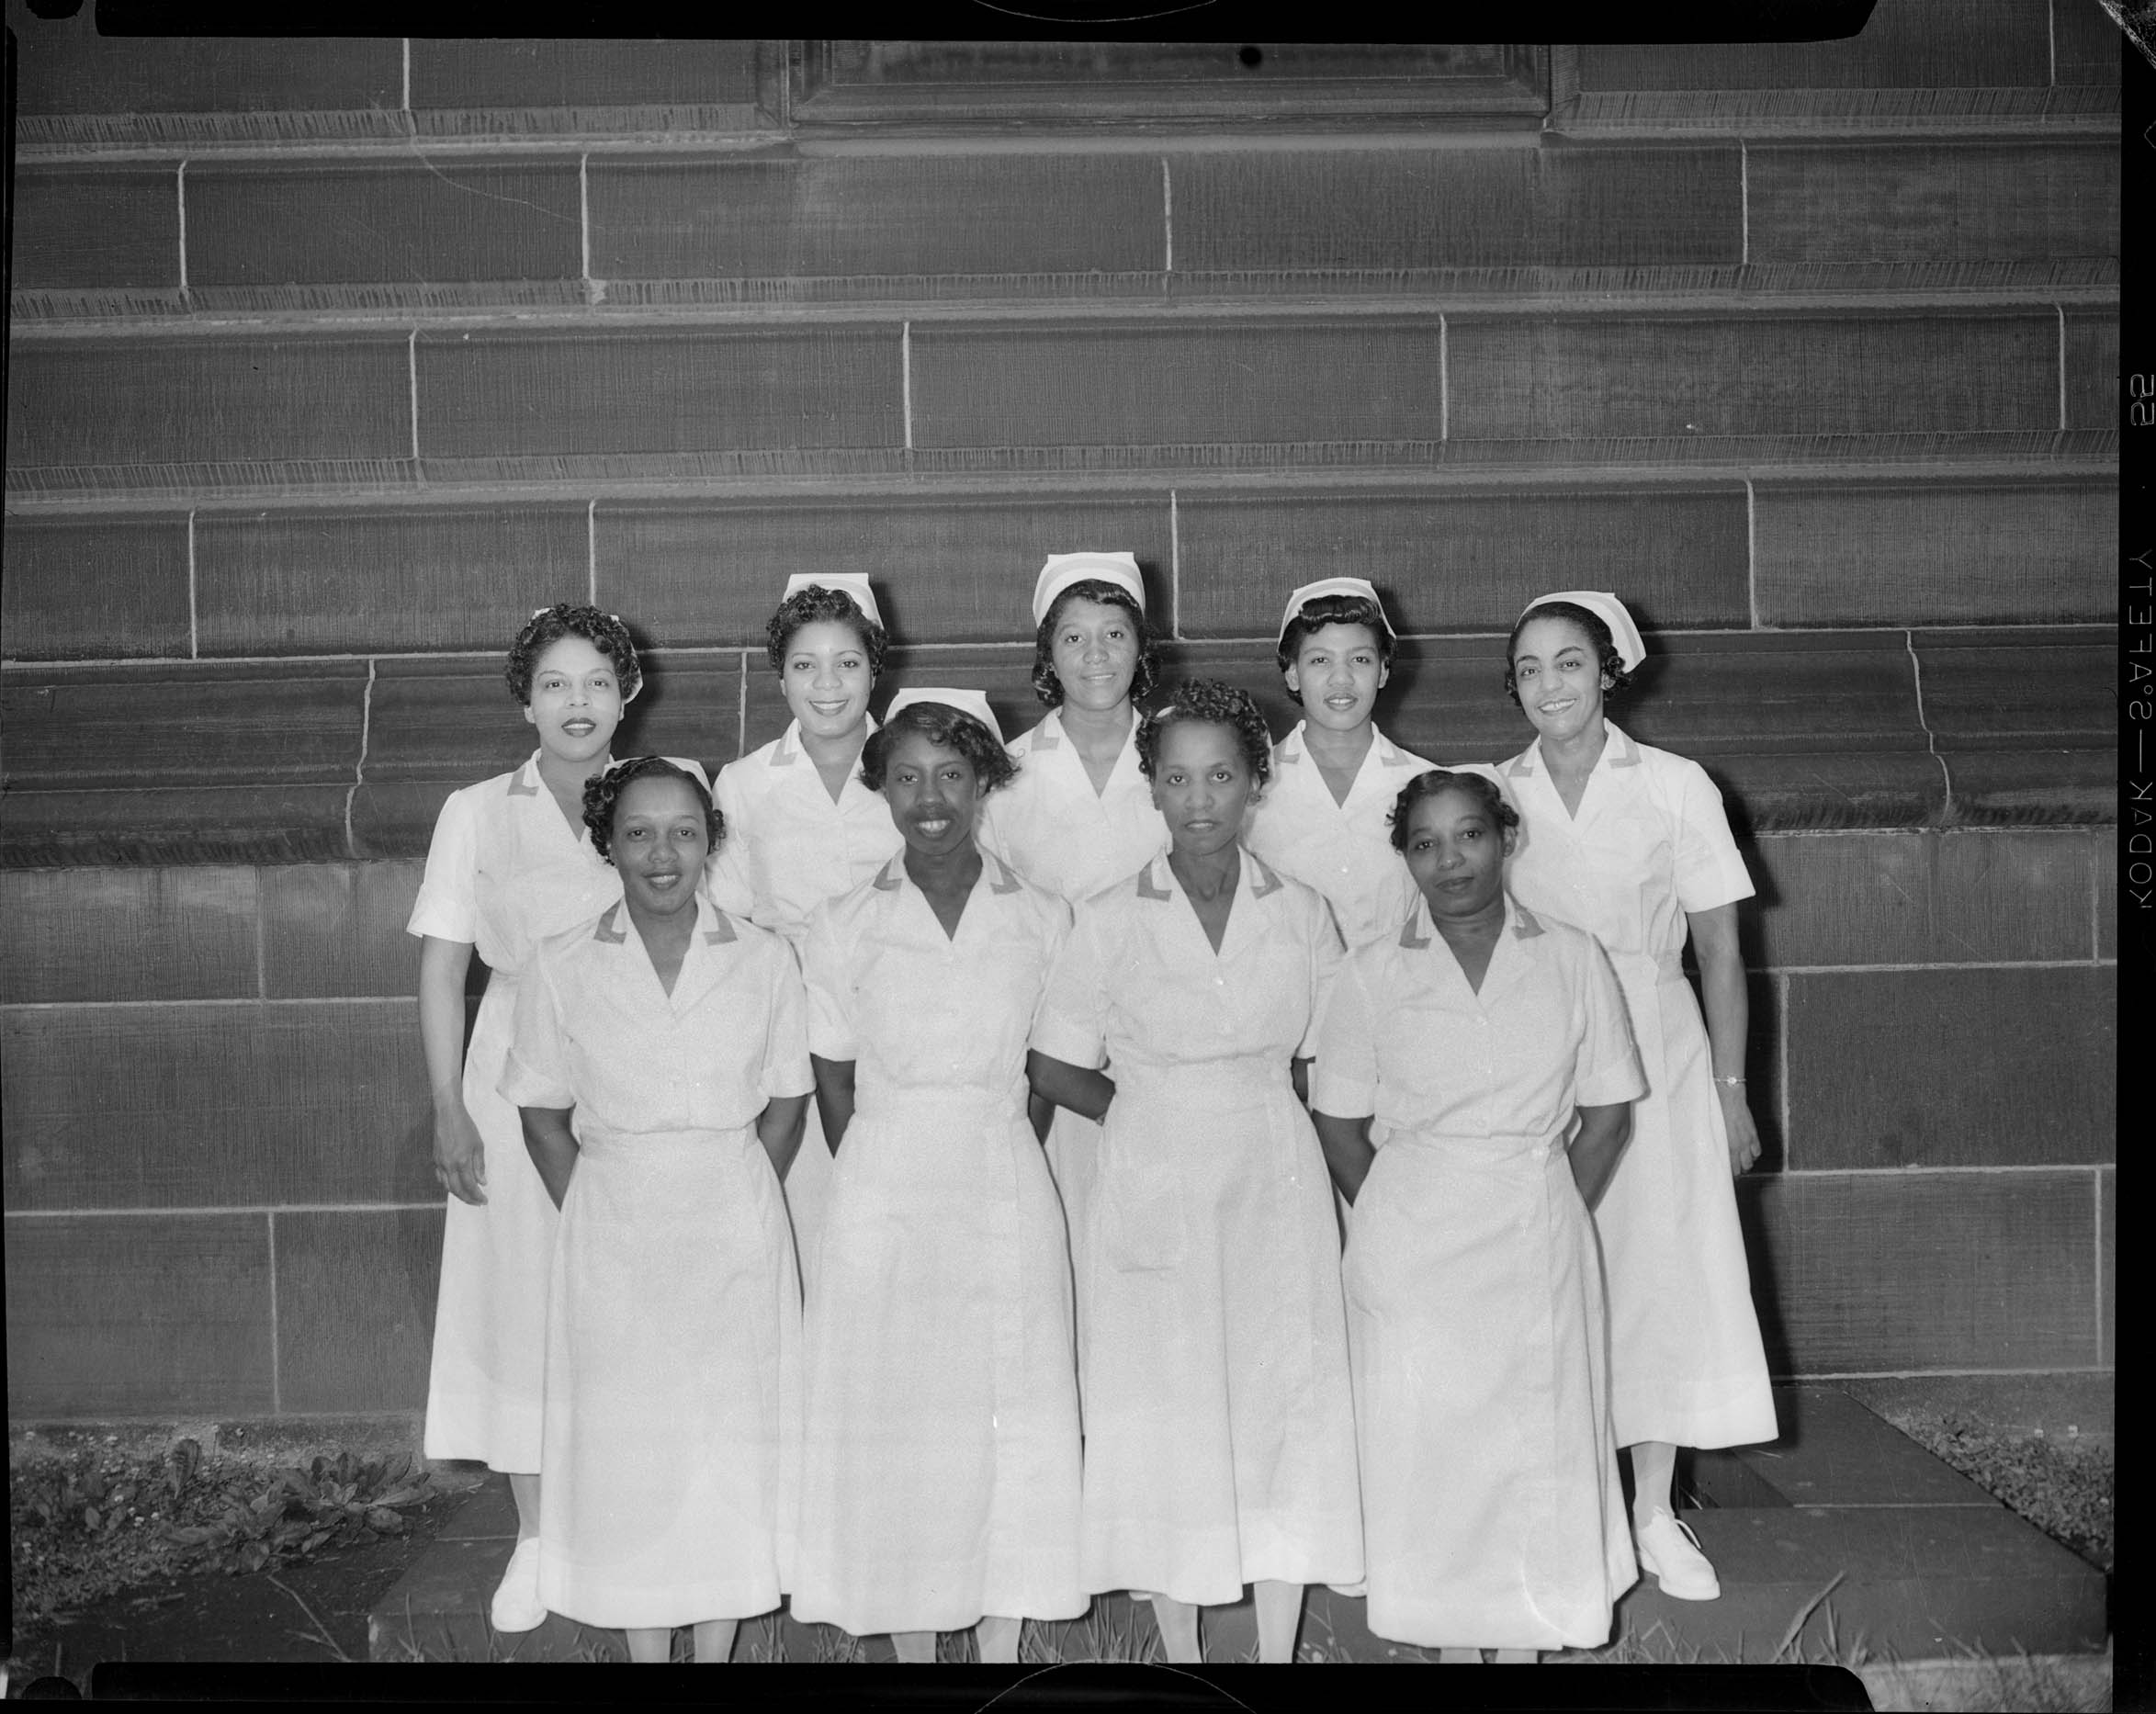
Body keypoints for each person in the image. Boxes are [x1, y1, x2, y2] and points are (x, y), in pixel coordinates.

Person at [1028, 680, 1362, 1664]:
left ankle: (1275, 1655)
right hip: (1151, 1163)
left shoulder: (1301, 910)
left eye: (1220, 775)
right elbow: (1054, 1064)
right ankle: (1179, 1656)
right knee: (1162, 1399)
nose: (1199, 798)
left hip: (1273, 1164)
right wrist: (1143, 1116)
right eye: (1175, 778)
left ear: (1256, 784)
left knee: (1280, 1396)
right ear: (1152, 789)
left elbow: (1335, 1057)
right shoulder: (1107, 914)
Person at [407, 603, 706, 1633]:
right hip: (512, 1090)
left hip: (647, 1087)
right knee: (521, 1303)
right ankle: (535, 1536)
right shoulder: (477, 812)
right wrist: (448, 1109)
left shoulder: (674, 793)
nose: (576, 702)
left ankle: (646, 1512)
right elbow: (444, 971)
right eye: (553, 684)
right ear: (524, 698)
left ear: (627, 690)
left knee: (643, 1302)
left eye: (594, 681)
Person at [1310, 771, 1642, 1659]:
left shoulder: (1572, 955)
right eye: (1424, 843)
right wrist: (1399, 1215)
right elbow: (1338, 1121)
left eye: (1468, 835)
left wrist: (1539, 1200)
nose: (1449, 859)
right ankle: (1446, 1655)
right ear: (1404, 859)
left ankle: (1532, 1644)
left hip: (1536, 1224)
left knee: (1535, 1443)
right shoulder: (1369, 970)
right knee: (1436, 1451)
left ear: (1505, 839)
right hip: (1413, 1234)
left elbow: (1608, 1113)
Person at [1496, 591, 1778, 1602]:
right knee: (1552, 1273)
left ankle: (1653, 1511)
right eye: (1527, 669)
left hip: (1660, 1054)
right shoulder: (1492, 792)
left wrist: (1731, 1095)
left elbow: (1722, 959)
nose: (1547, 687)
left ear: (1609, 669)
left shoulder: (1673, 786)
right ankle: (1566, 1506)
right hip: (1539, 1059)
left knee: (1657, 1276)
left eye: (1567, 664)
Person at [791, 690, 1084, 1663]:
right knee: (899, 1413)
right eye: (908, 776)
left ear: (984, 784)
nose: (930, 797)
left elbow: (1046, 1068)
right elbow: (832, 1075)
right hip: (882, 1177)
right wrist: (884, 1172)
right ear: (880, 787)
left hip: (1002, 1165)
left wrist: (992, 1138)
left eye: (952, 775)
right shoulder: (839, 922)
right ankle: (913, 1647)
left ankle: (1000, 1642)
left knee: (1015, 1401)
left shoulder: (1043, 915)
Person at [502, 758, 812, 1663]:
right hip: (615, 1223)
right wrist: (602, 1207)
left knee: (728, 1439)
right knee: (633, 1444)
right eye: (639, 832)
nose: (663, 852)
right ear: (608, 845)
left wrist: (733, 1184)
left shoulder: (763, 957)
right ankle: (646, 1658)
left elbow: (788, 1101)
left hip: (731, 1218)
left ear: (711, 840)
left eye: (683, 830)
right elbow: (541, 1114)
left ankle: (713, 1654)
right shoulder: (561, 963)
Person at [708, 574, 902, 1283]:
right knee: (800, 1227)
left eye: (847, 663)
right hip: (786, 1035)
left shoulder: (915, 768)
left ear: (875, 671)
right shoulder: (745, 783)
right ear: (780, 679)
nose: (828, 685)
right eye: (805, 665)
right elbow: (727, 925)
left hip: (895, 1028)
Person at [975, 551, 1168, 1255]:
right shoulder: (1006, 776)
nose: (1095, 655)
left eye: (1114, 634)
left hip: (1164, 1040)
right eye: (1073, 636)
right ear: (1047, 653)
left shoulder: (1184, 759)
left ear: (1141, 646)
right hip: (1047, 1057)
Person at [1244, 577, 1441, 950]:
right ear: (1291, 672)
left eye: (1360, 659)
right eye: (1320, 660)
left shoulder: (1427, 784)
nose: (1341, 678)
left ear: (1382, 671)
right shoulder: (1251, 785)